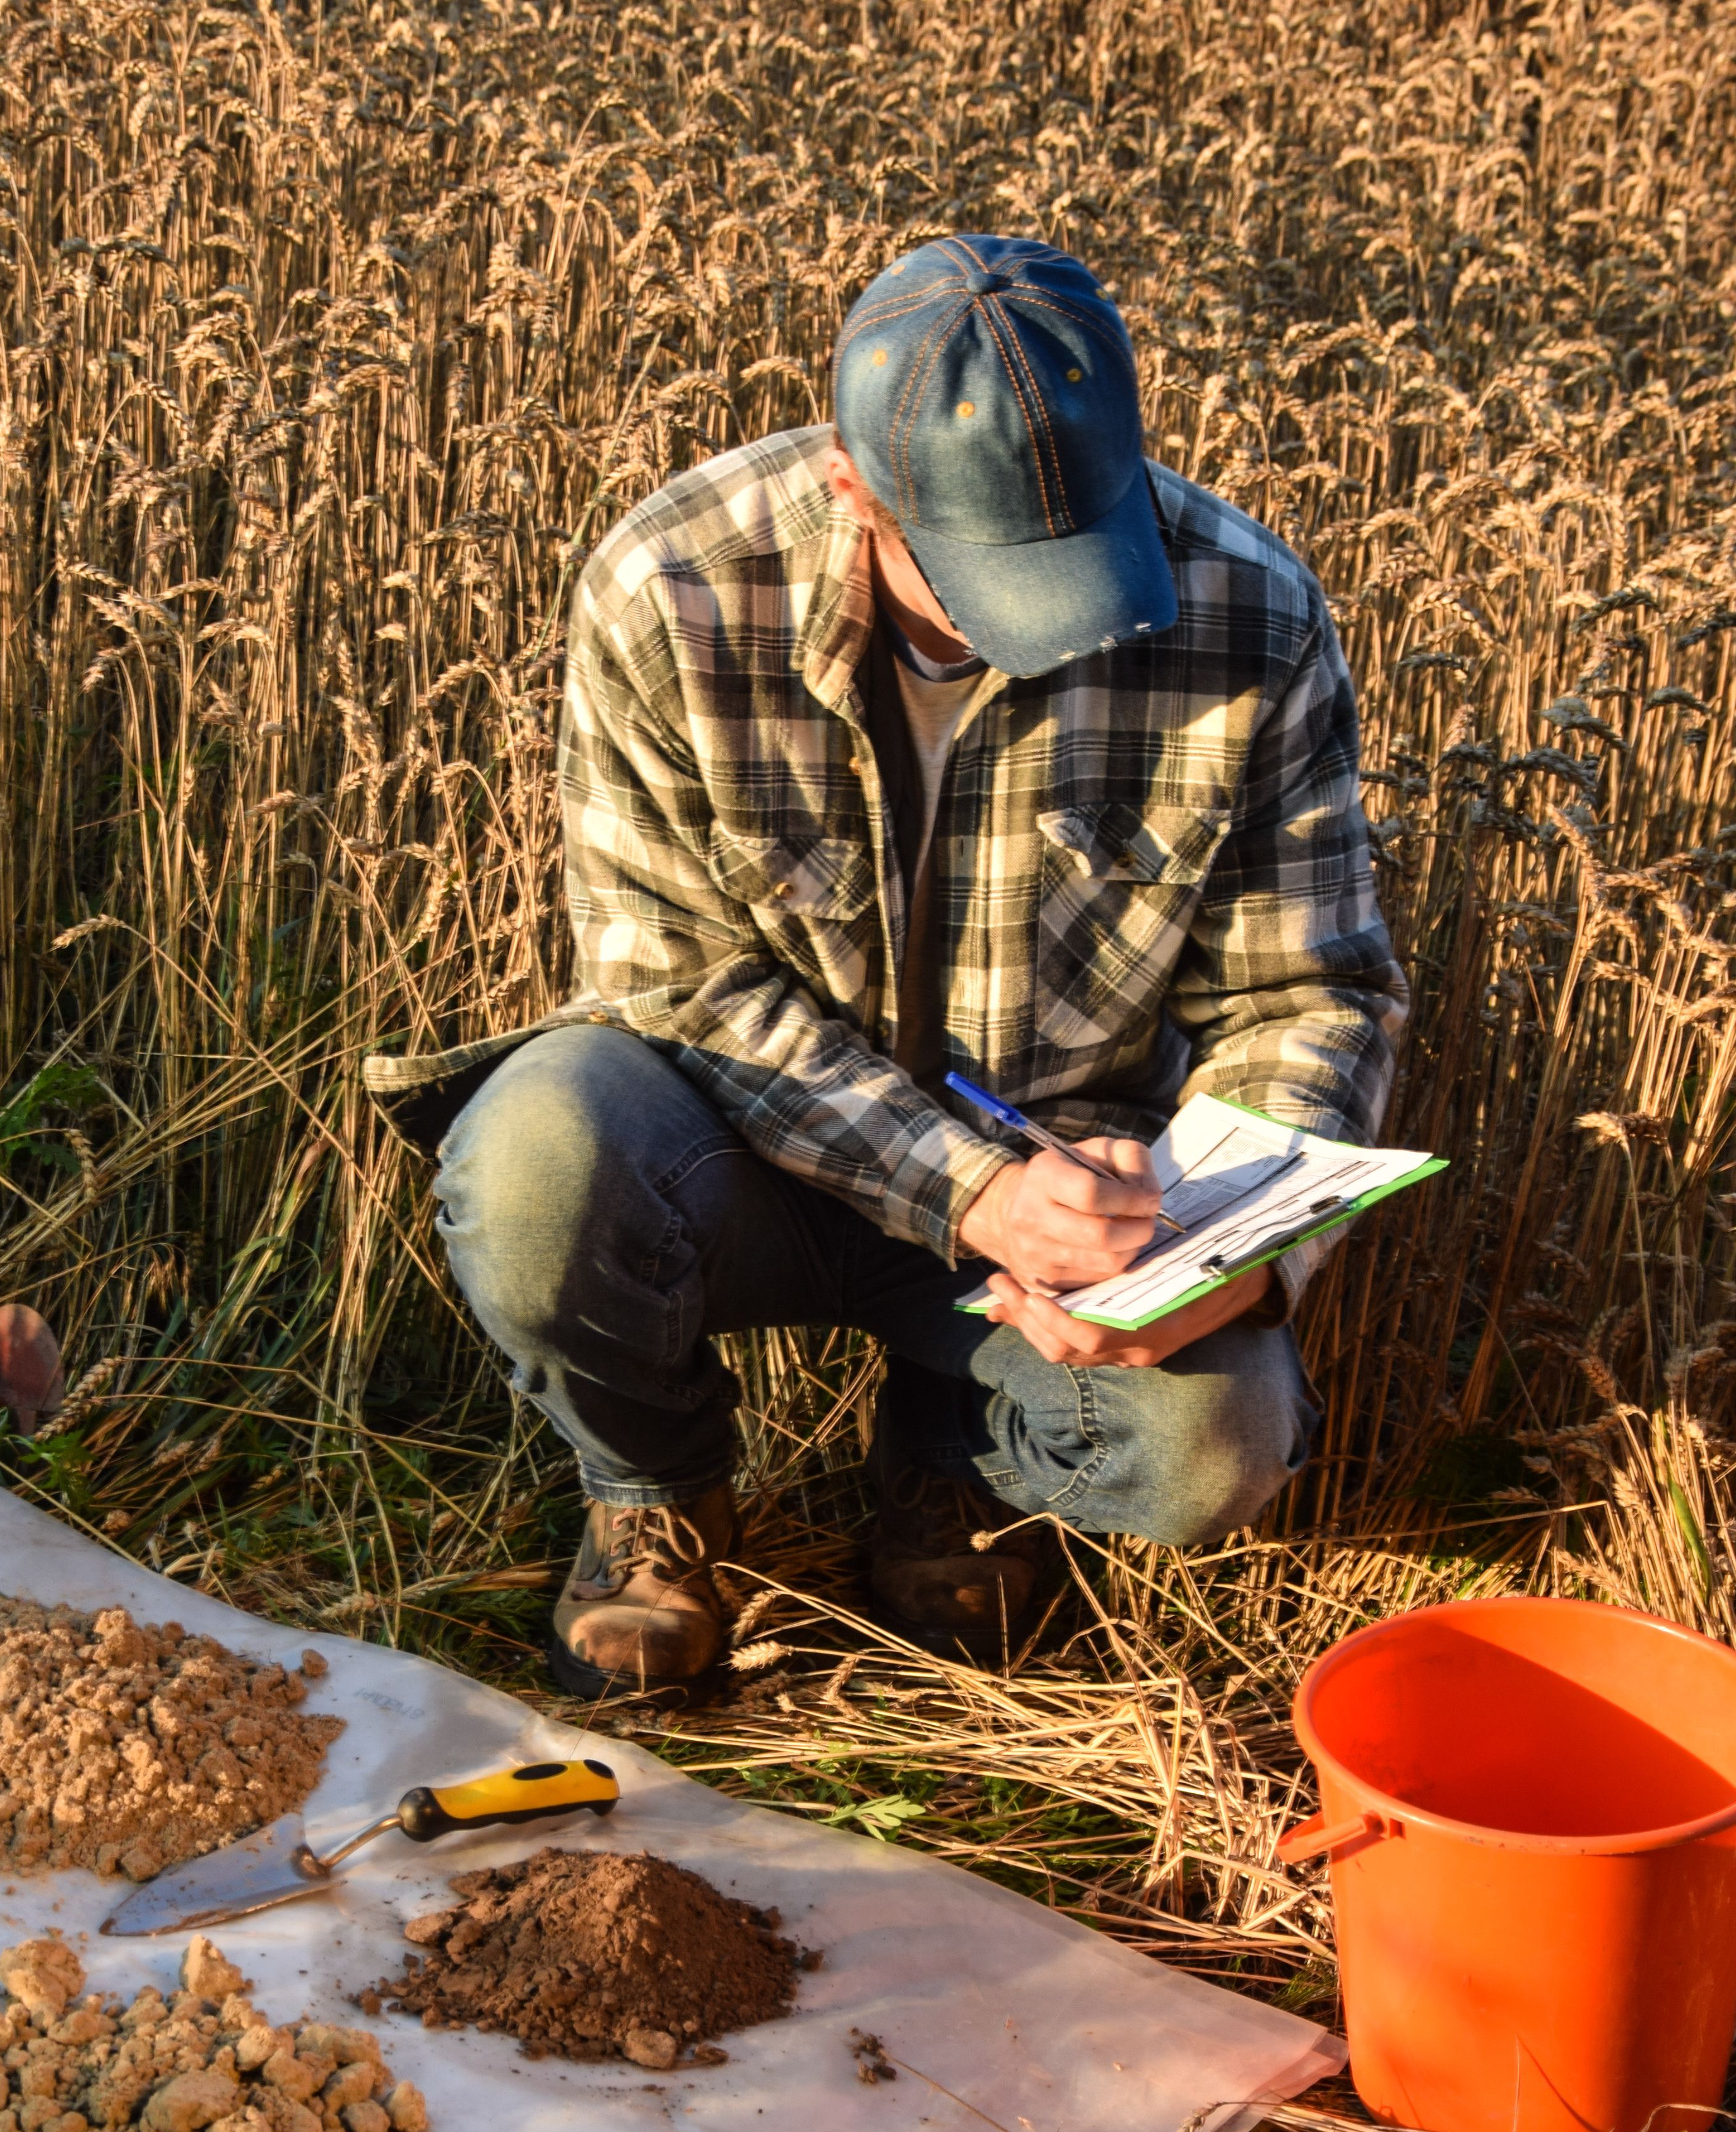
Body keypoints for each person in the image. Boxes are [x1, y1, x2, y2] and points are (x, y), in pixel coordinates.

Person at [367, 234, 1407, 1695]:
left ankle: (948, 1452)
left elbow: (1311, 996)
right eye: (993, 583)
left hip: (1065, 1195)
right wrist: (965, 1190)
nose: (1045, 640)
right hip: (735, 1158)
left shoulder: (1250, 615)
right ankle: (656, 1491)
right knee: (535, 1155)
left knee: (1214, 1447)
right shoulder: (670, 587)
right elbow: (678, 983)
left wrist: (1233, 1255)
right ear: (854, 491)